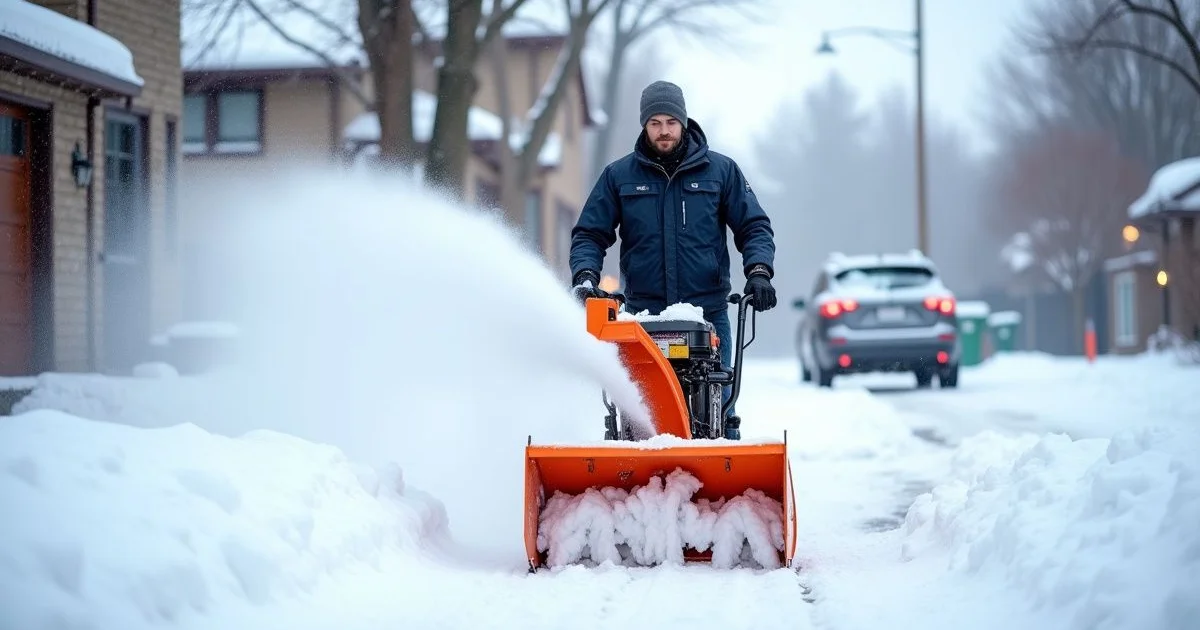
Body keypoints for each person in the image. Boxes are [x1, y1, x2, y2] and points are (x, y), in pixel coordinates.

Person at [569, 80, 778, 440]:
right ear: (644, 125)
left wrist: (759, 271)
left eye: (670, 122)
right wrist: (586, 276)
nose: (663, 131)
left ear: (683, 122)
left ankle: (719, 452)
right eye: (655, 123)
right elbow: (590, 233)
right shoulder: (619, 177)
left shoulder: (721, 171)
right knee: (640, 414)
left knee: (718, 404)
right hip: (644, 317)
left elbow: (753, 225)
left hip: (707, 314)